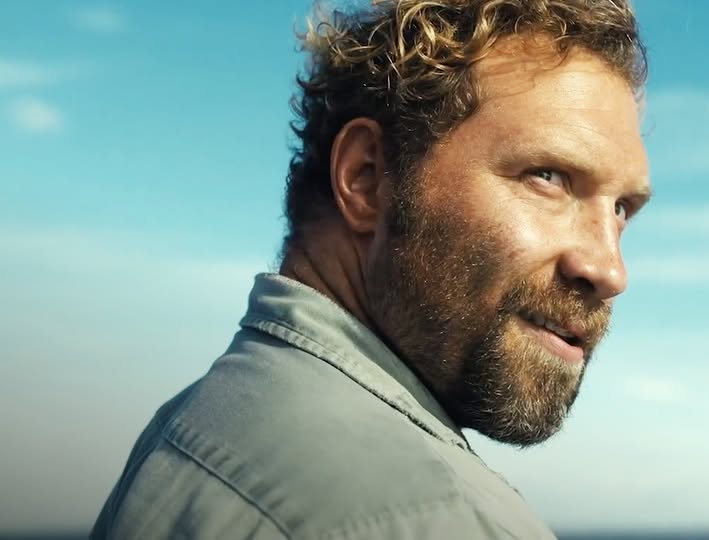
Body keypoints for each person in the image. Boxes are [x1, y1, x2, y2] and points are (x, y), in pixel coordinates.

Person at [91, 0, 651, 537]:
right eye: (547, 177)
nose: (610, 270)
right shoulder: (430, 518)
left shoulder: (191, 434)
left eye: (622, 208)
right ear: (364, 178)